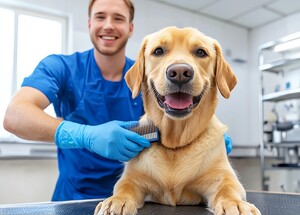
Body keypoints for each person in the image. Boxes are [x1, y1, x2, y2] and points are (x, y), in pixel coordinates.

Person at [3, 0, 232, 201]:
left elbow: (181, 113)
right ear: (89, 24)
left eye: (118, 18)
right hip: (73, 201)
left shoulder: (149, 75)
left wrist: (208, 137)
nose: (109, 25)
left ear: (130, 28)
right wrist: (87, 136)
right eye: (100, 17)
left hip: (140, 201)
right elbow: (15, 116)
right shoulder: (60, 68)